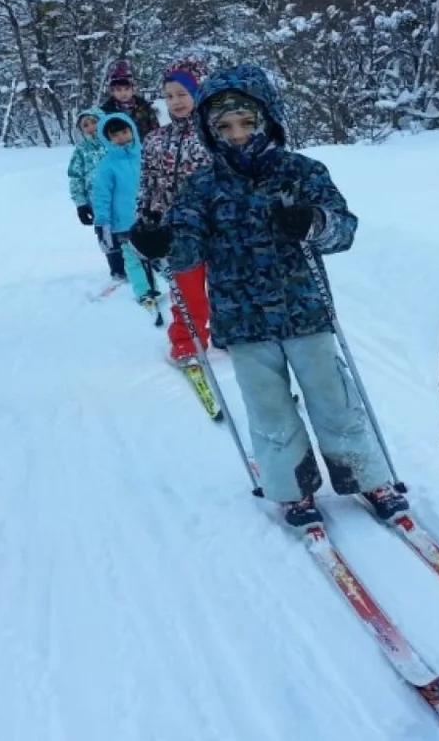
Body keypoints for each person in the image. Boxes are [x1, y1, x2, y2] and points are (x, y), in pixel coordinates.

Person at [130, 66, 408, 526]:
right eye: (224, 127)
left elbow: (344, 229)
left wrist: (313, 221)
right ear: (210, 131)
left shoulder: (300, 172)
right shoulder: (202, 187)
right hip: (243, 320)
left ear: (266, 119)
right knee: (270, 408)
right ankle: (291, 486)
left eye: (246, 123)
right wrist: (159, 244)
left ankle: (365, 474)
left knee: (334, 399)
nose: (237, 135)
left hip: (305, 311)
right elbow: (186, 251)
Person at [136, 56, 213, 360]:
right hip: (177, 232)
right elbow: (146, 183)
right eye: (169, 96)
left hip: (219, 226)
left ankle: (235, 335)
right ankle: (187, 343)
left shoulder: (216, 133)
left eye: (182, 94)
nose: (176, 102)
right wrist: (144, 221)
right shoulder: (155, 139)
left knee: (228, 289)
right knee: (187, 293)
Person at [92, 112, 158, 306]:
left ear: (132, 131)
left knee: (157, 254)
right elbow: (101, 196)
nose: (121, 138)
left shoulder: (146, 154)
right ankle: (143, 292)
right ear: (108, 138)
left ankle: (167, 285)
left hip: (150, 217)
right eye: (115, 135)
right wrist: (102, 222)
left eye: (124, 132)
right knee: (132, 259)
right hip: (124, 223)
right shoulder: (107, 165)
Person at [67, 107, 124, 282]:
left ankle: (142, 265)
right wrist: (81, 204)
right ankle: (117, 271)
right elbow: (75, 177)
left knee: (129, 233)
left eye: (94, 122)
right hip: (98, 204)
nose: (91, 127)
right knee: (107, 236)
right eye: (86, 125)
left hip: (123, 199)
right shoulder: (81, 150)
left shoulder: (116, 142)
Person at [101, 58, 160, 137]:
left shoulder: (144, 107)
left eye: (127, 89)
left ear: (133, 89)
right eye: (118, 90)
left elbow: (156, 132)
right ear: (112, 91)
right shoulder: (106, 111)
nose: (123, 93)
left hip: (144, 147)